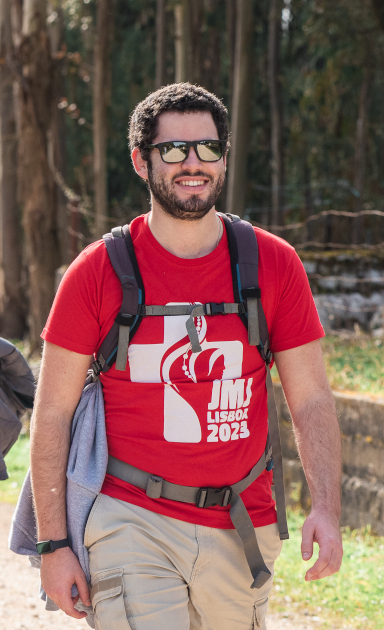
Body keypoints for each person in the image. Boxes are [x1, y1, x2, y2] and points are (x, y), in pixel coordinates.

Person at [32, 84, 343, 629]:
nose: (192, 164)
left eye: (208, 148)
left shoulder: (273, 264)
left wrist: (327, 509)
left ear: (225, 156)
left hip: (243, 520)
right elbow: (52, 413)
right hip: (131, 518)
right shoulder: (96, 272)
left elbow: (312, 398)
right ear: (141, 160)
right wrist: (54, 544)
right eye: (174, 150)